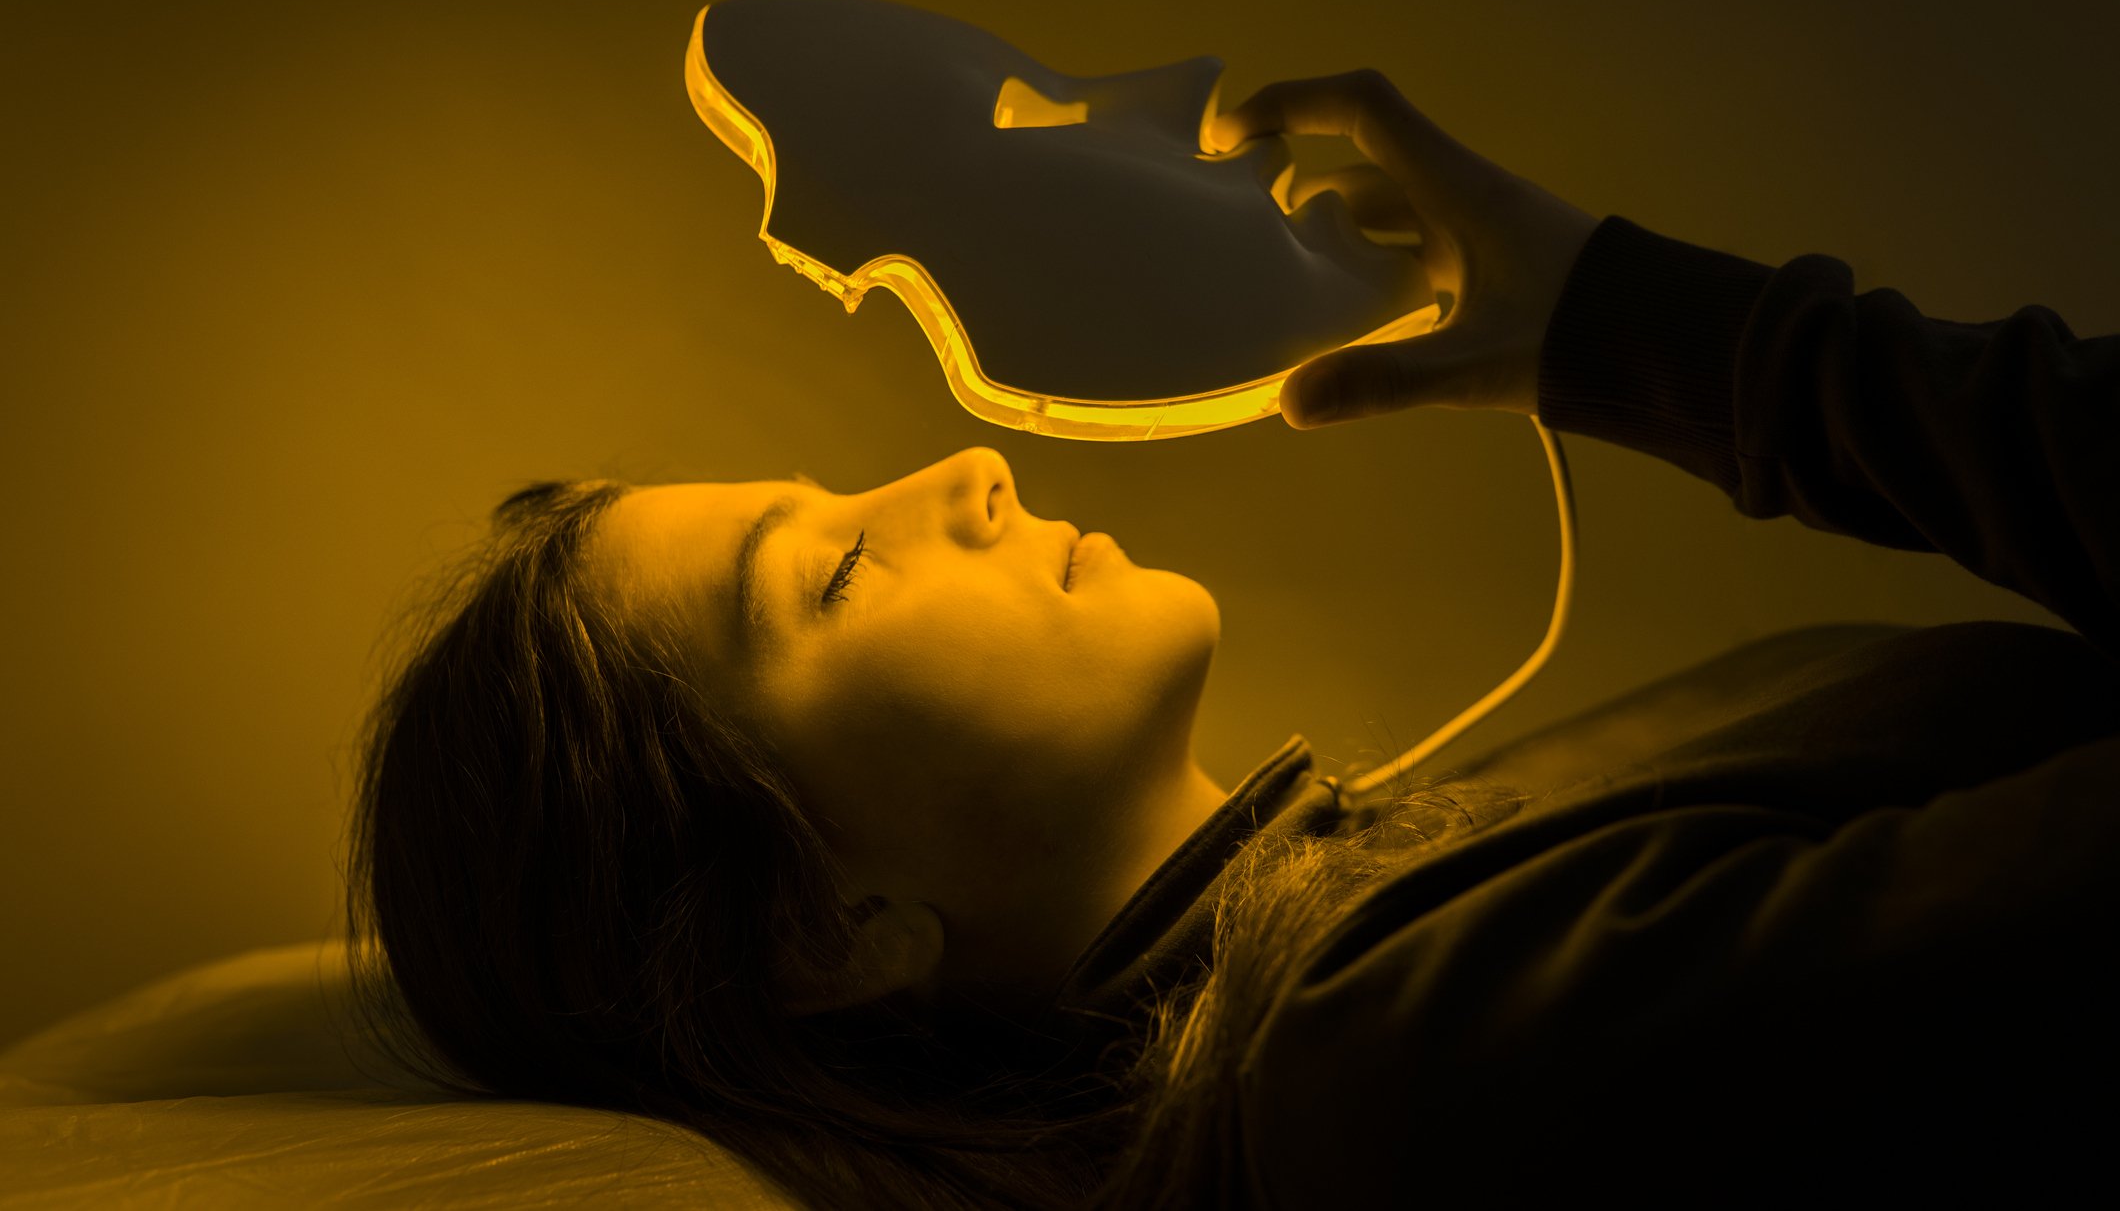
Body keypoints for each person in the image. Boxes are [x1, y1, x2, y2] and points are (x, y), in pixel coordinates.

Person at [348, 70, 2120, 1209]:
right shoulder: (1405, 1040)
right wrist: (1721, 350)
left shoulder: (1397, 915)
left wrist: (1610, 327)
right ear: (826, 932)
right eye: (827, 576)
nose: (961, 468)